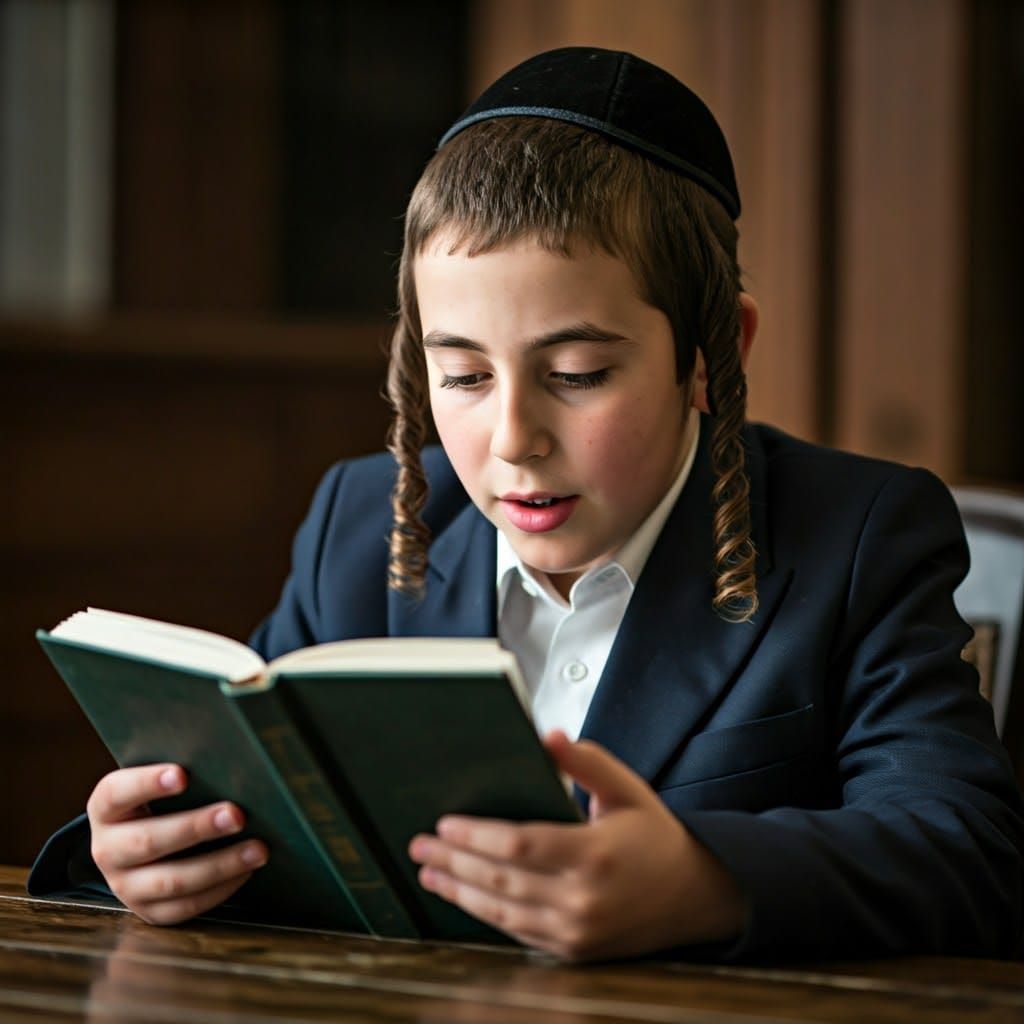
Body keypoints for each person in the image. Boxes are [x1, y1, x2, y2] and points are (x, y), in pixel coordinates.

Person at [30, 47, 1024, 962]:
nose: (513, 439)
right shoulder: (364, 528)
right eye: (461, 378)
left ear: (714, 358)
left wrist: (701, 881)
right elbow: (275, 795)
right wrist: (146, 848)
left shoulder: (856, 536)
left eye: (579, 372)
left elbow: (967, 847)